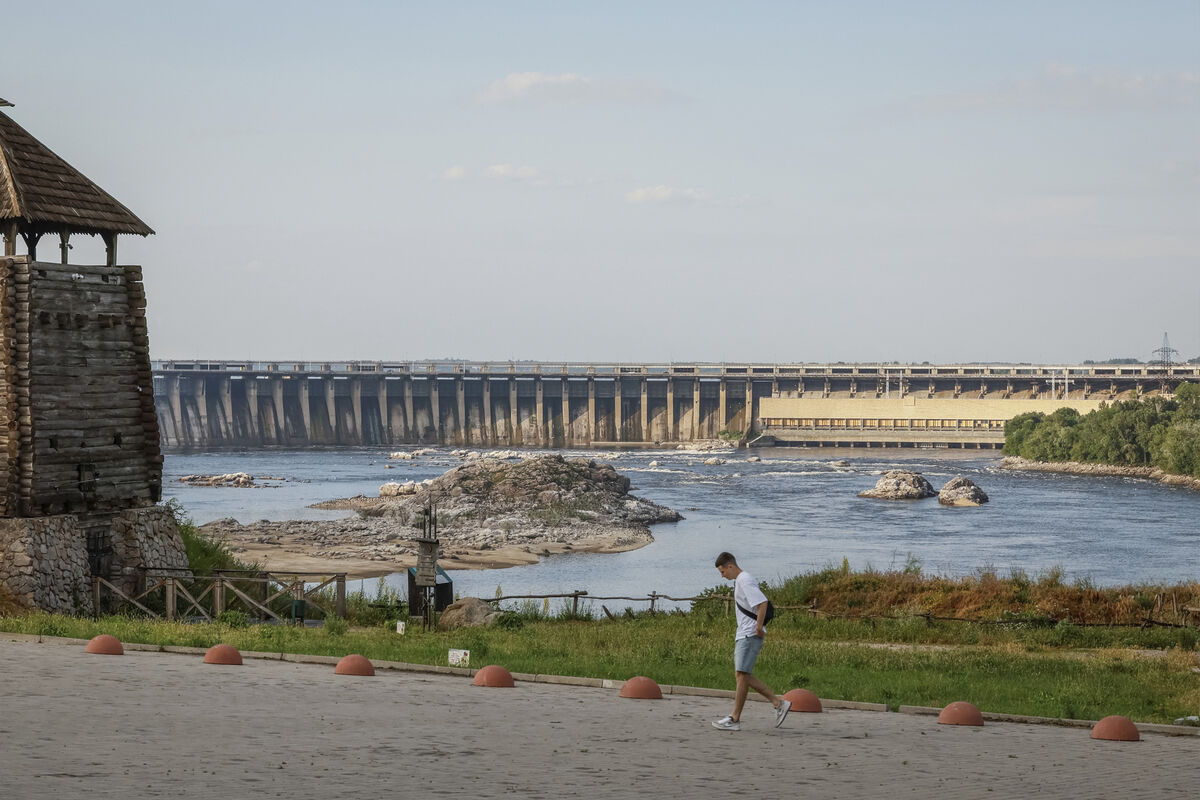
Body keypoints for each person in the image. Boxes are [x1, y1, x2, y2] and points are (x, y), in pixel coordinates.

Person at [711, 551, 790, 731]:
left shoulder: (744, 579)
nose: (723, 576)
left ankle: (737, 717)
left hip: (749, 634)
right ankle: (775, 704)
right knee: (742, 675)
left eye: (723, 572)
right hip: (745, 633)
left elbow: (762, 603)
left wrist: (758, 627)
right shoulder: (741, 580)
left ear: (730, 566)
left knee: (742, 675)